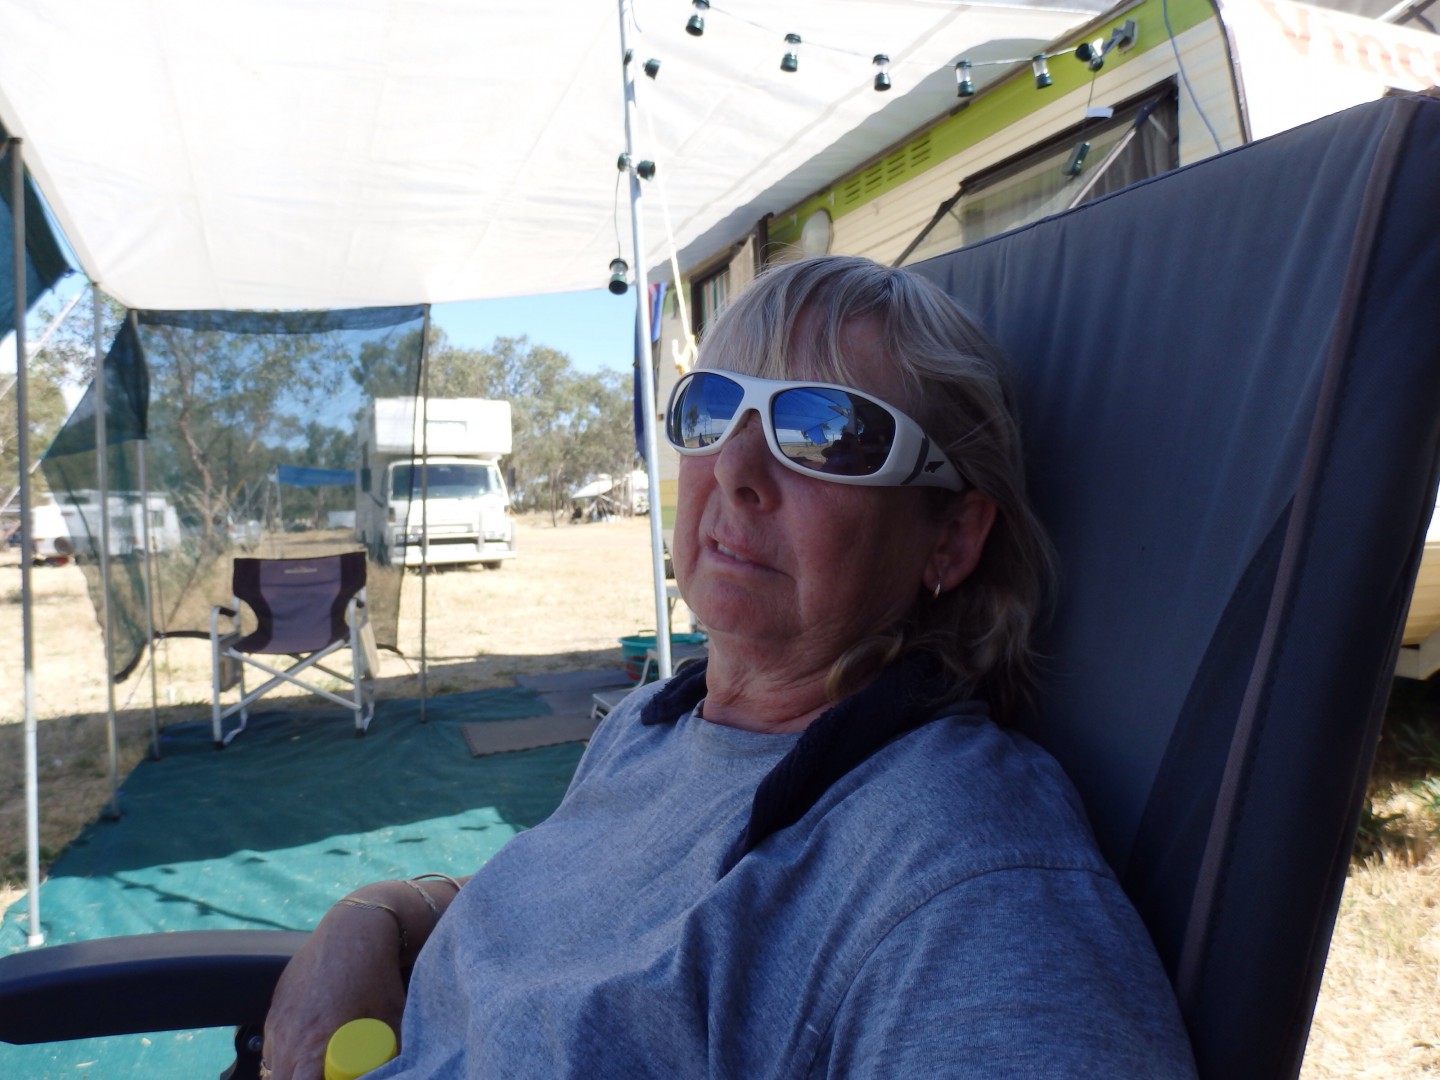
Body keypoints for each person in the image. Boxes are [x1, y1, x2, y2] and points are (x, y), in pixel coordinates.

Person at [263, 255, 1197, 1078]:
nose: (735, 467)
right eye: (711, 409)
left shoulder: (960, 869)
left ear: (950, 536)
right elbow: (574, 915)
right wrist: (378, 912)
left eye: (826, 431)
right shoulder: (657, 722)